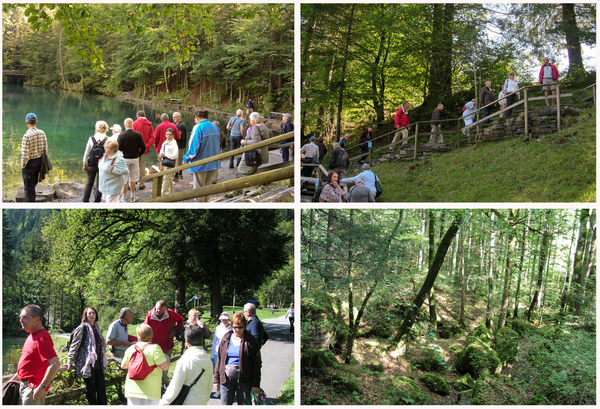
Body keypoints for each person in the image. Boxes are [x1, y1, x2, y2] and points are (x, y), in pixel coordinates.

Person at [11, 305, 60, 405]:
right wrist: (14, 379)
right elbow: (29, 362)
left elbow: (55, 364)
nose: (21, 320)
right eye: (20, 317)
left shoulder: (42, 337)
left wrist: (41, 387)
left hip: (33, 389)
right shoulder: (32, 335)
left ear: (37, 320)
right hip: (25, 386)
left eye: (25, 317)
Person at [213, 313, 261, 405]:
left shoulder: (251, 340)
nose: (237, 330)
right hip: (226, 378)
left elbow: (256, 364)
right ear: (231, 326)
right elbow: (219, 360)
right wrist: (216, 379)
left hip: (244, 379)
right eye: (235, 327)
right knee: (225, 404)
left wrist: (256, 384)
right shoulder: (226, 338)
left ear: (245, 326)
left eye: (240, 327)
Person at [158, 325, 213, 405]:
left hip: (187, 401)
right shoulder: (208, 360)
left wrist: (163, 403)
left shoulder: (185, 360)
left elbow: (175, 387)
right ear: (202, 340)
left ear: (186, 342)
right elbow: (209, 385)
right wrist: (205, 399)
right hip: (202, 401)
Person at [66, 307, 108, 405]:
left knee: (101, 389)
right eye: (89, 313)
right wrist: (69, 361)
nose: (92, 315)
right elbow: (74, 345)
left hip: (98, 363)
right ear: (85, 315)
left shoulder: (97, 327)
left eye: (93, 313)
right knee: (91, 390)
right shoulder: (82, 328)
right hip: (87, 364)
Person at [122, 324, 170, 405]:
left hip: (132, 390)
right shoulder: (155, 348)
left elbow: (123, 366)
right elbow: (165, 367)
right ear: (151, 335)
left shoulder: (131, 348)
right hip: (151, 391)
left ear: (138, 335)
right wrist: (167, 359)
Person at [143, 301, 184, 387]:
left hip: (167, 344)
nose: (158, 311)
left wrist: (175, 330)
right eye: (157, 309)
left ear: (165, 309)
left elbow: (180, 319)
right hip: (154, 345)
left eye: (161, 310)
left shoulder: (170, 313)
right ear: (155, 307)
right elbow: (145, 328)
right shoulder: (150, 315)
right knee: (155, 365)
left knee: (165, 364)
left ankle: (165, 383)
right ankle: (158, 384)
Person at [183, 110, 221, 202]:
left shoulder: (198, 127)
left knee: (199, 189)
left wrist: (186, 159)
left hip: (201, 164)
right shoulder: (215, 127)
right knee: (207, 188)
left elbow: (193, 146)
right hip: (214, 163)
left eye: (195, 119)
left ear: (197, 118)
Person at [21, 113, 48, 202]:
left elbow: (25, 154)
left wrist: (23, 165)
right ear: (36, 122)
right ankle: (33, 199)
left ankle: (31, 202)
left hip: (29, 163)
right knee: (33, 183)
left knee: (28, 187)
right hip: (39, 161)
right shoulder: (42, 133)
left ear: (26, 122)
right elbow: (45, 149)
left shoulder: (26, 136)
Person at [117, 118, 146, 203]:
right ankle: (133, 197)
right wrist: (138, 154)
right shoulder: (138, 134)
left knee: (124, 179)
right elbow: (143, 148)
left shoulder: (121, 135)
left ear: (124, 125)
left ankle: (124, 198)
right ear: (132, 125)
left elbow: (118, 149)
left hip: (125, 159)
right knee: (133, 179)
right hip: (135, 159)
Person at [82, 120, 110, 202]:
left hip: (91, 164)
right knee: (100, 183)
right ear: (106, 128)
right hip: (102, 164)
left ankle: (85, 200)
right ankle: (97, 201)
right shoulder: (108, 139)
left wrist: (84, 163)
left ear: (97, 128)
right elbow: (109, 154)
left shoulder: (91, 138)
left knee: (89, 182)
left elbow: (87, 152)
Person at [238, 112, 272, 177]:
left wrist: (244, 142)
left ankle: (248, 186)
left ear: (253, 121)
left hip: (254, 155)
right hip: (262, 154)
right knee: (252, 170)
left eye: (250, 120)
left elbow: (256, 142)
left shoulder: (255, 128)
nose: (250, 121)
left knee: (242, 169)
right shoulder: (264, 126)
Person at [132, 111, 156, 190]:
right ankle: (141, 184)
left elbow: (133, 136)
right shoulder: (150, 125)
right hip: (145, 150)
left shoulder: (135, 124)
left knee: (134, 166)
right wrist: (146, 146)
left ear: (137, 116)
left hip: (135, 149)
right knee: (142, 166)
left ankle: (133, 183)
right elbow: (152, 137)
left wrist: (136, 146)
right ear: (145, 115)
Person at [159, 128, 179, 196]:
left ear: (173, 135)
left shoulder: (174, 144)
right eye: (167, 134)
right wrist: (161, 154)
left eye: (170, 135)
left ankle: (162, 194)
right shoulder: (165, 142)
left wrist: (166, 155)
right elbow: (162, 150)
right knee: (169, 178)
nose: (168, 136)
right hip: (164, 162)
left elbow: (175, 155)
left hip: (170, 164)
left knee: (165, 179)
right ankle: (171, 192)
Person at [172, 112, 188, 181]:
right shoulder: (177, 124)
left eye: (175, 117)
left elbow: (180, 137)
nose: (174, 119)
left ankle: (177, 174)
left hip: (180, 145)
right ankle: (179, 174)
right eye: (173, 117)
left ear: (179, 117)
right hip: (178, 145)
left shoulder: (181, 125)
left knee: (178, 160)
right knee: (178, 160)